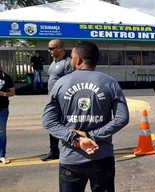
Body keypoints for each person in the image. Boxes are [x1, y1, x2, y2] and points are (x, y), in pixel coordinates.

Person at [42, 41, 129, 192]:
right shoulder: (110, 83)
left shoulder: (61, 83)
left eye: (72, 57)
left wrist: (77, 140)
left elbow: (48, 121)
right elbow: (122, 118)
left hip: (71, 157)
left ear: (78, 60)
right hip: (102, 156)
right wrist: (91, 136)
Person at [41, 39, 73, 161]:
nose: (49, 51)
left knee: (66, 124)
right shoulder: (54, 63)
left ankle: (70, 147)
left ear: (59, 48)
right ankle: (54, 150)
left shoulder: (68, 63)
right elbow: (52, 81)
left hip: (63, 100)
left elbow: (70, 82)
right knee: (52, 123)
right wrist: (49, 97)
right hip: (52, 99)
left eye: (51, 49)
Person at [0, 66, 15, 164]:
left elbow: (12, 92)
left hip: (2, 108)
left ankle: (2, 155)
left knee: (1, 132)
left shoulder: (6, 77)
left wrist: (2, 94)